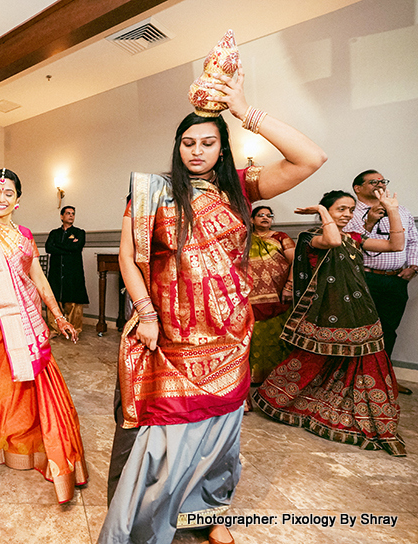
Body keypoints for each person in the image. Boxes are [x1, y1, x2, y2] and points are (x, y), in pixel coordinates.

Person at [100, 30, 327, 544]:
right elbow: (129, 258)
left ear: (223, 148)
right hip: (170, 337)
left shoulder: (242, 190)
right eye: (188, 142)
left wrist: (244, 108)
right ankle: (145, 521)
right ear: (176, 147)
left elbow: (311, 158)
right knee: (164, 440)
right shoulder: (154, 191)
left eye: (208, 142)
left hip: (227, 334)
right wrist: (147, 314)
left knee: (218, 437)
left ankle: (205, 512)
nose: (197, 151)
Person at [0, 168, 88, 504]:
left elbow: (38, 276)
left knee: (25, 379)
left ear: (18, 200)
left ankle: (23, 437)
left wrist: (56, 313)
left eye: (8, 193)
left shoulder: (25, 235)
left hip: (25, 314)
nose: (1, 198)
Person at [252, 190, 406, 456]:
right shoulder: (312, 237)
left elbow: (395, 246)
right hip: (326, 312)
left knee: (367, 359)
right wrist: (323, 213)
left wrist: (392, 210)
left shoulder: (354, 239)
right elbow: (332, 241)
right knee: (315, 359)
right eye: (340, 209)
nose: (346, 214)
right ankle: (284, 400)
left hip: (360, 310)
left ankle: (353, 412)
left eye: (350, 210)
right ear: (326, 211)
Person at [345, 170, 418, 396]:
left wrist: (414, 267)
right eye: (373, 181)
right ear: (358, 188)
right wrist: (370, 220)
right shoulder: (350, 212)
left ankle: (385, 380)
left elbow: (413, 240)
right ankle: (357, 382)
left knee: (389, 331)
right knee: (361, 332)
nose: (380, 184)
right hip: (366, 279)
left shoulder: (400, 210)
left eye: (382, 181)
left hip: (396, 280)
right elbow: (350, 244)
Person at [247, 205, 294, 387]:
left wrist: (289, 286)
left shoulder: (281, 237)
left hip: (279, 296)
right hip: (251, 299)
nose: (265, 218)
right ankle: (254, 377)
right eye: (261, 215)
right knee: (255, 337)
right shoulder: (244, 239)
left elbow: (295, 262)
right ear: (252, 220)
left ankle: (278, 378)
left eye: (269, 215)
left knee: (278, 337)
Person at [45, 206, 89, 337]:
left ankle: (74, 329)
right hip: (56, 272)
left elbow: (76, 247)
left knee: (73, 301)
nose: (71, 216)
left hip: (73, 272)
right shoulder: (54, 233)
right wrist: (69, 248)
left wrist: (57, 245)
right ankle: (55, 329)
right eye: (68, 213)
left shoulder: (80, 232)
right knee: (54, 299)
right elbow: (48, 248)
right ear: (61, 216)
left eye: (73, 214)